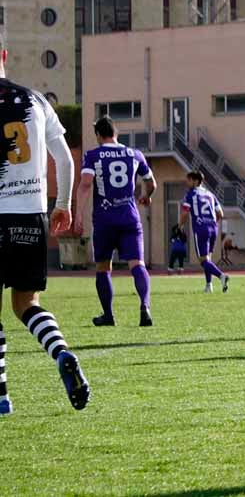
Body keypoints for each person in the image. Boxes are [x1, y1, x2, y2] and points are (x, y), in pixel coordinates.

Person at [0, 39, 89, 415]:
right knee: (27, 303)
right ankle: (61, 352)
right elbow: (64, 159)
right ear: (4, 55)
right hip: (30, 215)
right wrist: (63, 204)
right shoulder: (36, 100)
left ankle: (2, 397)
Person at [73, 117, 157, 327]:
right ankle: (145, 306)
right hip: (129, 217)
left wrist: (79, 214)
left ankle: (109, 315)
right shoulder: (134, 154)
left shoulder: (93, 155)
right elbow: (151, 182)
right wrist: (146, 196)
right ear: (116, 133)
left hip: (104, 219)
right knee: (137, 264)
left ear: (99, 135)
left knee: (103, 267)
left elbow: (85, 184)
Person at [179, 171, 230, 293]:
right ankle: (209, 286)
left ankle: (221, 276)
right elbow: (220, 214)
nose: (187, 182)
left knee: (203, 260)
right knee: (208, 259)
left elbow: (185, 212)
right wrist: (212, 223)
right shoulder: (210, 194)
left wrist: (180, 225)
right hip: (213, 228)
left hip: (201, 229)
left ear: (195, 181)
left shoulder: (190, 194)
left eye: (189, 180)